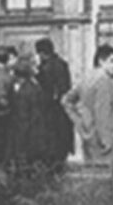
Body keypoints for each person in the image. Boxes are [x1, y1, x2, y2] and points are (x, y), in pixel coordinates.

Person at [62, 45, 113, 164]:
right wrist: (106, 139)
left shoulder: (86, 77)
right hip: (103, 139)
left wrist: (78, 121)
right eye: (112, 61)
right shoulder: (105, 80)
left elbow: (65, 100)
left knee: (92, 174)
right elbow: (102, 111)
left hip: (87, 134)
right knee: (106, 176)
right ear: (101, 61)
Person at [35, 38, 73, 167]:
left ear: (41, 53)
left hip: (49, 110)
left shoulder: (45, 68)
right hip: (61, 109)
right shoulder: (62, 64)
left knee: (52, 141)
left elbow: (45, 90)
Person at [8, 56, 50, 167]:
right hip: (38, 132)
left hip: (26, 137)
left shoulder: (23, 92)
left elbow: (23, 118)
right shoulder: (36, 87)